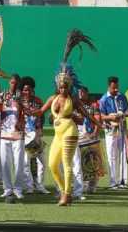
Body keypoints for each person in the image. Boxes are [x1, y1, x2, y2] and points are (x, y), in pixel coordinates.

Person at [32, 29, 99, 206]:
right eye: (60, 86)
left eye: (65, 86)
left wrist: (97, 122)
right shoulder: (52, 99)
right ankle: (65, 192)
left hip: (70, 132)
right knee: (53, 165)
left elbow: (85, 114)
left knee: (67, 163)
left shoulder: (73, 99)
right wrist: (23, 107)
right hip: (57, 135)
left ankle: (67, 194)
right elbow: (39, 112)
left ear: (68, 86)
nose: (62, 88)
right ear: (57, 85)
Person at [0, 74, 27, 199]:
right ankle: (7, 188)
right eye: (12, 82)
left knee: (19, 163)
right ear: (9, 83)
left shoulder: (22, 96)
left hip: (17, 133)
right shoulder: (2, 95)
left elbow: (25, 111)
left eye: (16, 83)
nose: (13, 84)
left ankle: (18, 189)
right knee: (4, 163)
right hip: (4, 133)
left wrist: (19, 104)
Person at [99, 76, 128, 189]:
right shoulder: (103, 99)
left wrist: (125, 113)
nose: (116, 90)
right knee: (112, 156)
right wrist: (111, 117)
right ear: (109, 87)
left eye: (117, 87)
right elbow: (101, 116)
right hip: (110, 131)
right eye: (114, 88)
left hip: (122, 129)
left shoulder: (122, 96)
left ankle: (123, 181)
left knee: (123, 154)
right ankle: (113, 182)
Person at [21, 76, 50, 195]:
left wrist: (40, 130)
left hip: (36, 136)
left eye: (29, 90)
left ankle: (40, 185)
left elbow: (41, 116)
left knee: (42, 162)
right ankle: (29, 186)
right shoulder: (19, 102)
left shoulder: (38, 101)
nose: (26, 92)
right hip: (25, 136)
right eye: (24, 90)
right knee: (26, 163)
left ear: (32, 90)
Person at [76, 86, 104, 194]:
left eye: (82, 92)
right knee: (81, 162)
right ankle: (83, 184)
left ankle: (93, 185)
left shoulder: (94, 105)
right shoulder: (75, 105)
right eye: (79, 92)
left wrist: (95, 133)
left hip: (91, 136)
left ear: (87, 93)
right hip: (79, 137)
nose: (80, 94)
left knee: (94, 162)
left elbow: (97, 118)